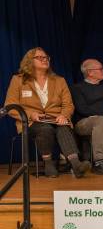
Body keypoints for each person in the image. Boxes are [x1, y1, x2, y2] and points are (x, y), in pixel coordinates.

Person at [4, 47, 90, 178]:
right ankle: (48, 164)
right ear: (29, 61)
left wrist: (64, 115)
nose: (44, 60)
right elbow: (10, 106)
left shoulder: (59, 80)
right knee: (45, 129)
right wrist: (30, 114)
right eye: (40, 57)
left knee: (63, 127)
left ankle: (76, 164)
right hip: (31, 122)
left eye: (46, 57)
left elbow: (68, 104)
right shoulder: (18, 80)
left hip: (55, 119)